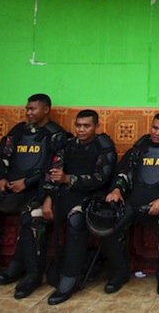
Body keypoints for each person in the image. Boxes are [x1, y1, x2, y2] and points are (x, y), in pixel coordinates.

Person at [0, 93, 68, 299]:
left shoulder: (56, 135)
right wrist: (0, 178)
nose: (29, 112)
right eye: (27, 109)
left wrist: (28, 182)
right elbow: (2, 156)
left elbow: (55, 168)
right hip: (10, 188)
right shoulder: (18, 131)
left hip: (36, 190)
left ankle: (32, 274)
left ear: (46, 109)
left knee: (32, 217)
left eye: (33, 109)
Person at [101, 113, 159, 296]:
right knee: (108, 222)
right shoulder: (141, 146)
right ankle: (120, 272)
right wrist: (117, 189)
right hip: (136, 198)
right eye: (155, 128)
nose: (157, 133)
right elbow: (124, 170)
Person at [43, 110, 117, 305]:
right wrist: (48, 197)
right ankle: (30, 272)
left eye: (86, 126)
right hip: (65, 194)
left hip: (92, 196)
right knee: (32, 217)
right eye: (78, 125)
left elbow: (102, 177)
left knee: (76, 220)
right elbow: (52, 173)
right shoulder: (67, 145)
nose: (81, 130)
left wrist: (70, 179)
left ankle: (71, 278)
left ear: (96, 127)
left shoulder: (103, 146)